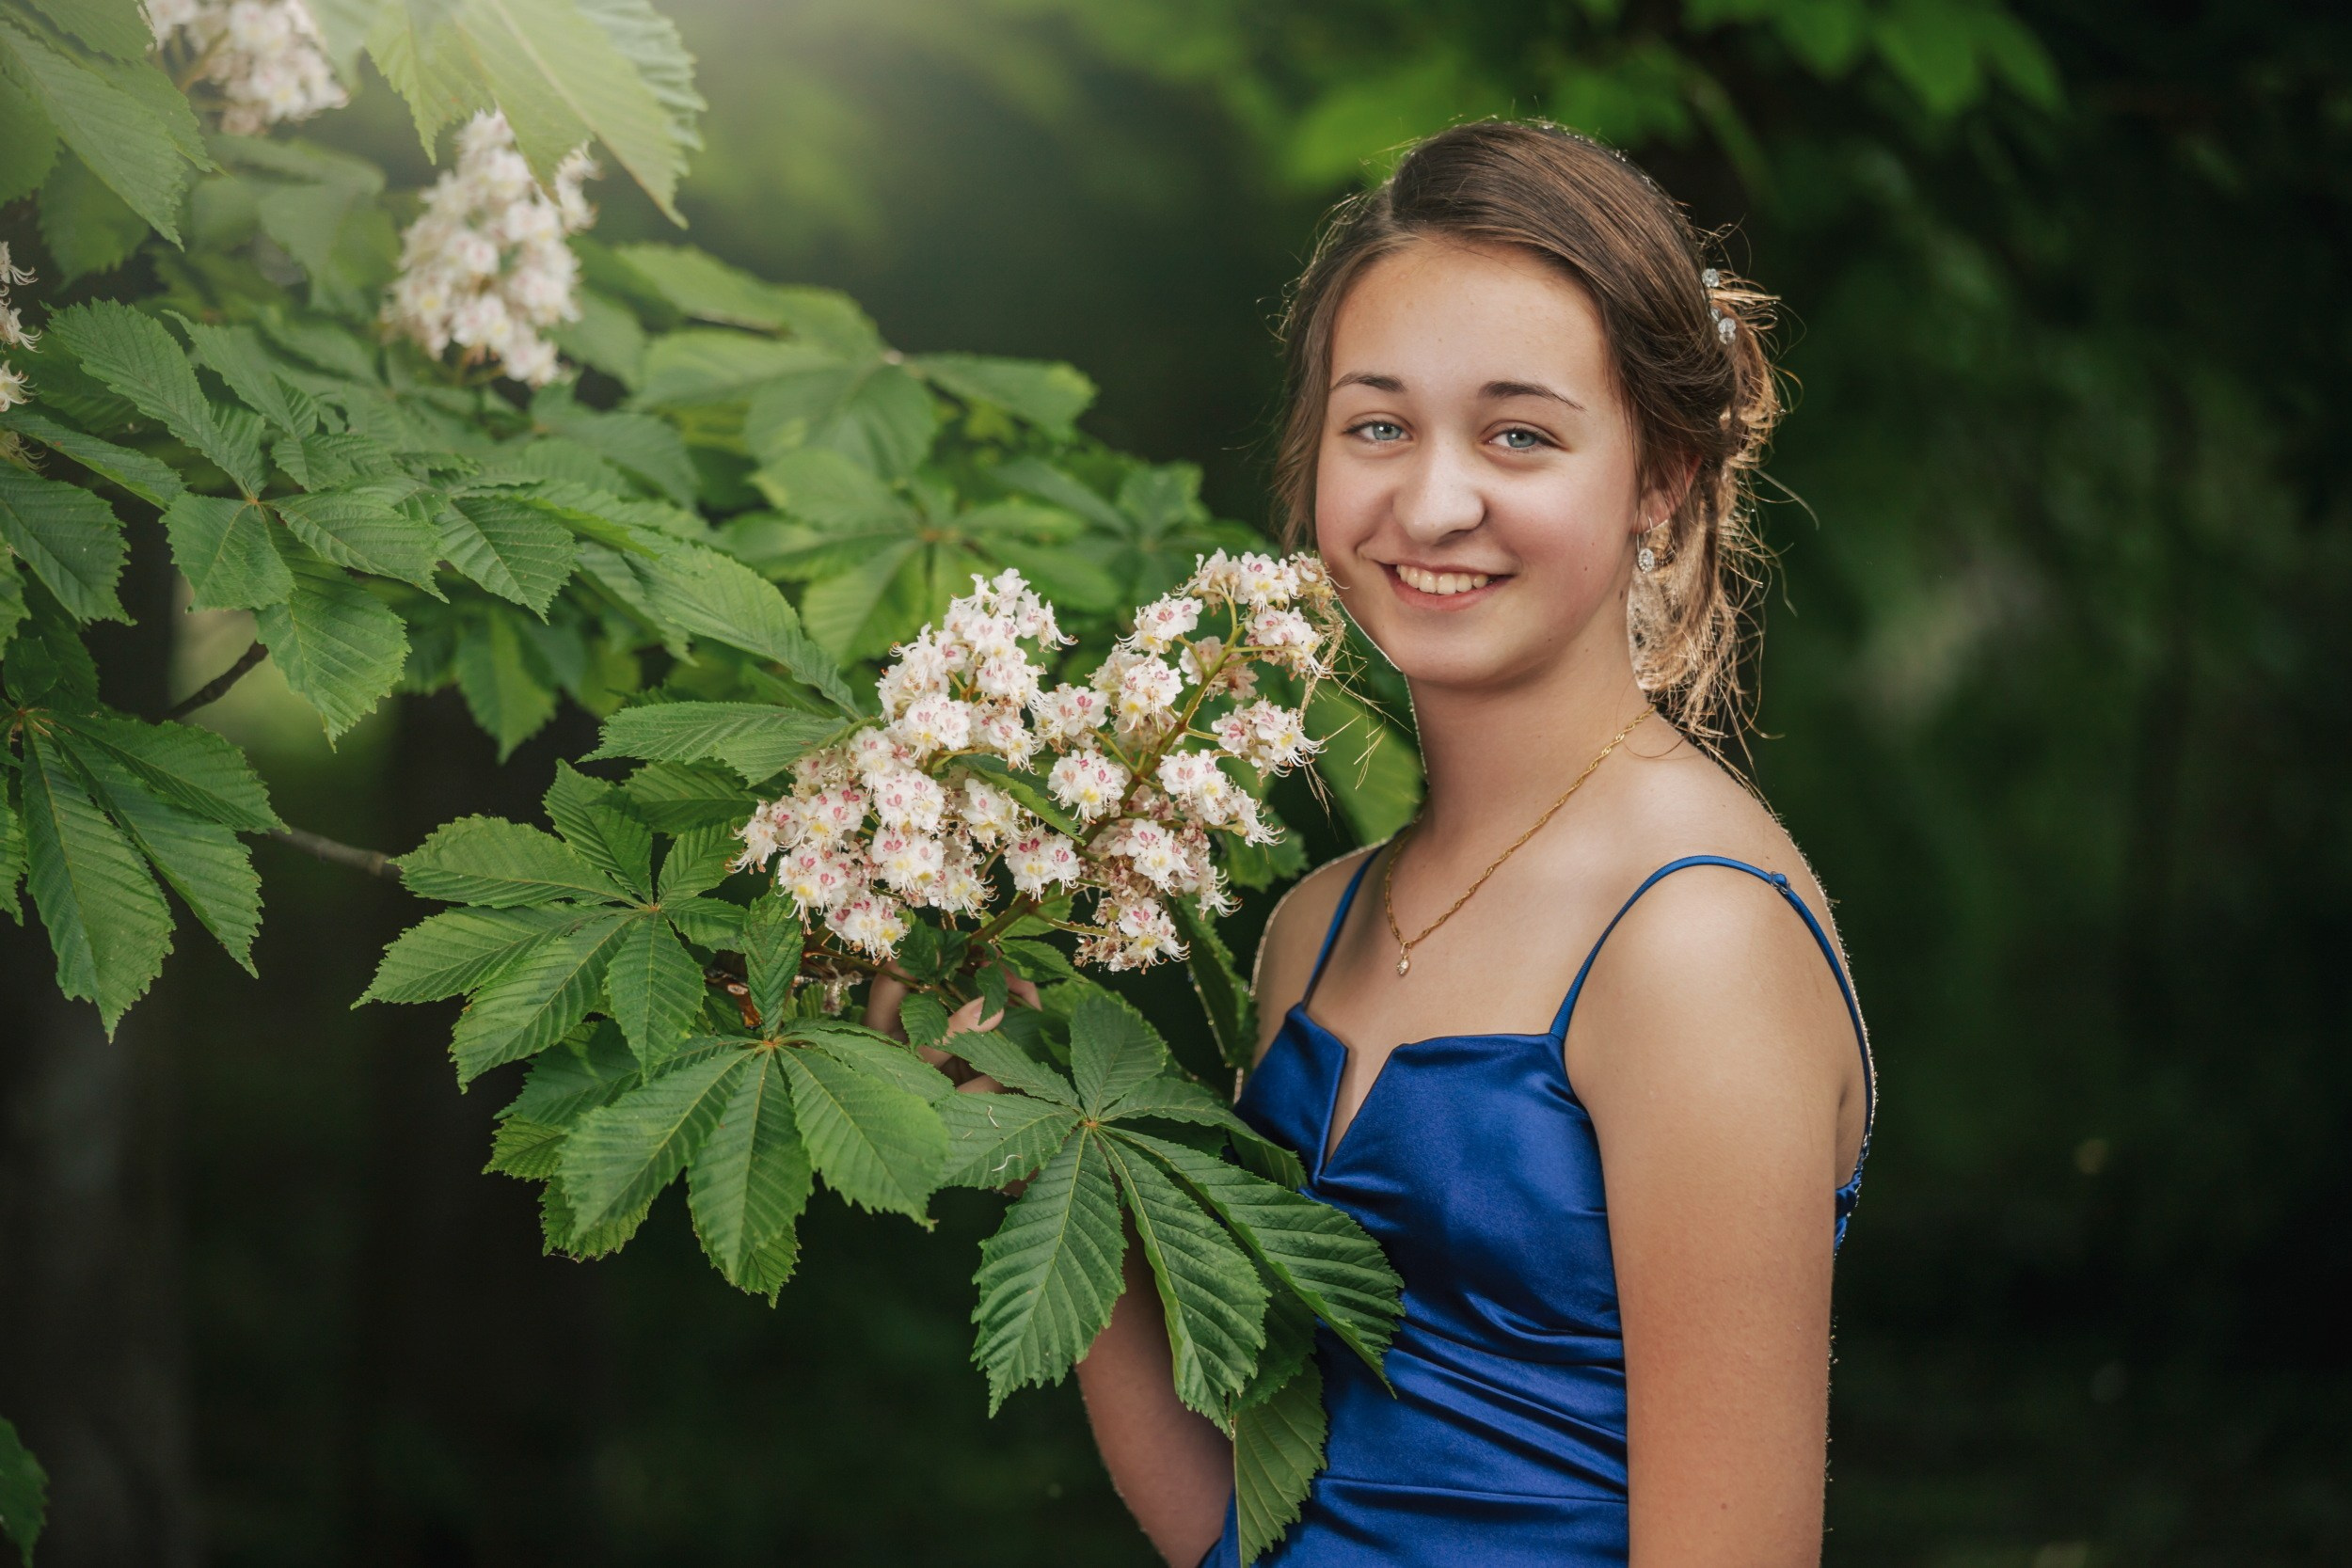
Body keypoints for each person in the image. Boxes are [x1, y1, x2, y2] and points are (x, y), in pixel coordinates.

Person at [934, 119, 1876, 1567]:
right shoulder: (1316, 926)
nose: (1432, 503)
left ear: (1662, 475)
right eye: (1379, 425)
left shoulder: (1696, 943)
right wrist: (1018, 1119)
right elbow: (1242, 1520)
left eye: (1520, 434)